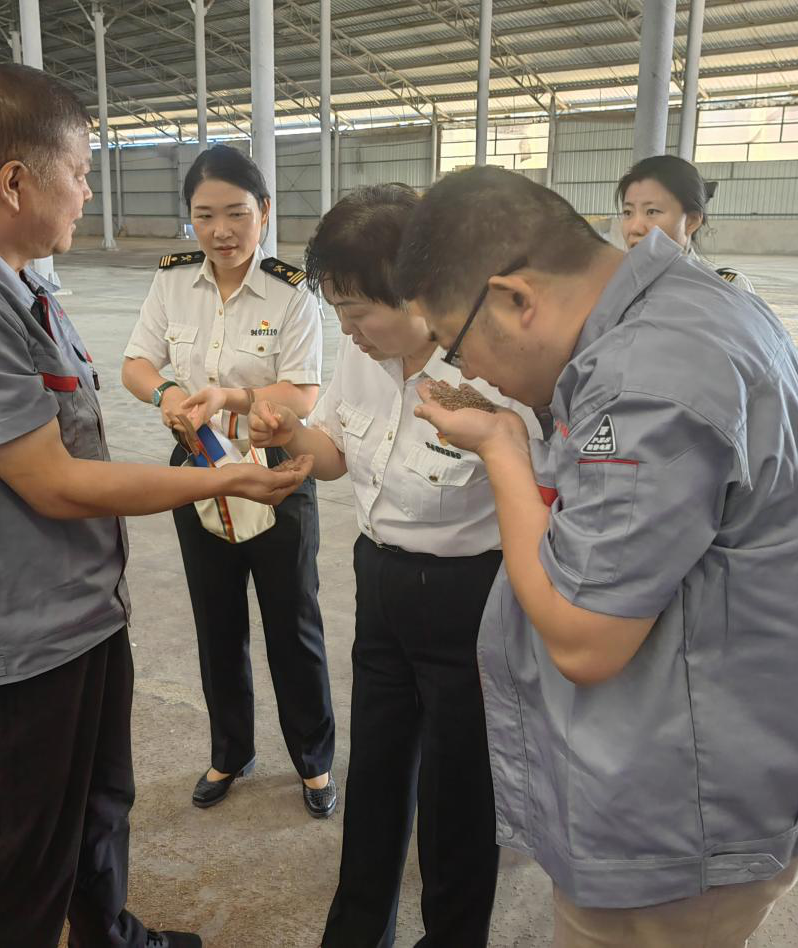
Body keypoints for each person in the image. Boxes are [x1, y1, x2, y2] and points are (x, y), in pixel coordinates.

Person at [0, 64, 308, 948]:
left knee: (100, 809)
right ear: (16, 180)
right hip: (10, 643)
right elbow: (58, 482)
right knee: (22, 859)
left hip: (78, 613)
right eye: (81, 170)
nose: (89, 190)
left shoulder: (19, 279)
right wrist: (220, 477)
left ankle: (112, 938)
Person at [397, 166, 798, 948]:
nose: (463, 370)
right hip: (716, 753)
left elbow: (583, 638)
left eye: (453, 342)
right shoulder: (691, 307)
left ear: (514, 299)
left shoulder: (647, 380)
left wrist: (504, 447)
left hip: (687, 817)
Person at [248, 183, 537, 948]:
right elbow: (336, 457)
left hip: (468, 602)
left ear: (423, 291)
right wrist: (286, 434)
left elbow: (541, 502)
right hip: (379, 586)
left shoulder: (494, 374)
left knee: (456, 803)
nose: (348, 328)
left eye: (360, 309)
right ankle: (354, 933)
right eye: (337, 309)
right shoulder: (363, 355)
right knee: (374, 780)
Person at [121, 145, 337, 817]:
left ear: (264, 213)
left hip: (273, 477)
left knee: (291, 622)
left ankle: (313, 760)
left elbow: (303, 392)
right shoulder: (172, 282)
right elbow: (135, 362)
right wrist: (165, 395)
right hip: (198, 477)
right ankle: (230, 751)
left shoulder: (291, 291)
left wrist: (228, 398)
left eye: (237, 214)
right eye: (205, 215)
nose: (221, 231)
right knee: (216, 622)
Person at [617, 154, 798, 460]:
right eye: (628, 212)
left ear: (692, 220)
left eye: (652, 212)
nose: (635, 227)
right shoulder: (617, 294)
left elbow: (769, 382)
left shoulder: (729, 290)